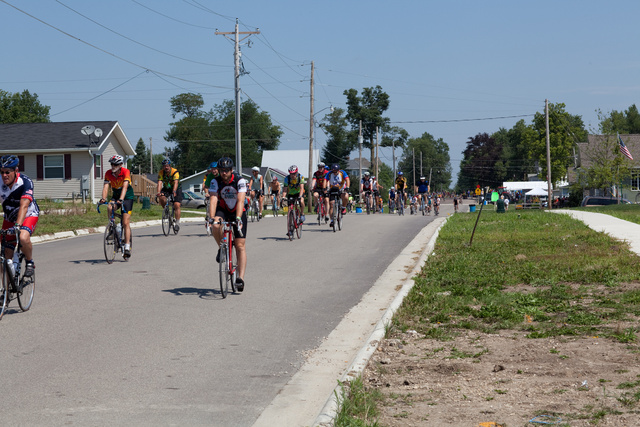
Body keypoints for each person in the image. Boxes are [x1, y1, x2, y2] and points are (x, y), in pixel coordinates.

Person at [208, 157, 247, 292]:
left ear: (231, 170)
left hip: (237, 210)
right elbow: (213, 199)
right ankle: (222, 248)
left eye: (226, 170)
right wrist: (211, 218)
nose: (224, 173)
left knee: (240, 245)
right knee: (216, 225)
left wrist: (238, 218)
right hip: (223, 209)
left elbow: (241, 200)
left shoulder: (239, 180)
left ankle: (240, 278)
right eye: (221, 170)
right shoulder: (215, 181)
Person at [0, 155, 39, 276]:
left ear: (16, 171)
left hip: (28, 215)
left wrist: (17, 226)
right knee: (5, 258)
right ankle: (6, 292)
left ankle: (29, 261)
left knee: (22, 237)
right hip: (9, 217)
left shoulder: (25, 182)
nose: (4, 175)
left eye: (7, 172)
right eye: (1, 172)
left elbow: (24, 206)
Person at [99, 155, 135, 258]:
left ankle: (127, 247)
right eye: (112, 164)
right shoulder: (108, 173)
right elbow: (106, 187)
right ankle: (112, 227)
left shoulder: (125, 172)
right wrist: (103, 198)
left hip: (127, 197)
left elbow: (125, 187)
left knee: (125, 222)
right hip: (116, 196)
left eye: (115, 164)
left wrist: (121, 199)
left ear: (120, 165)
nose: (113, 166)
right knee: (110, 207)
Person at [156, 159, 182, 232]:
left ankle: (177, 223)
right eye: (164, 166)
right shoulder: (161, 172)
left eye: (167, 166)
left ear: (170, 166)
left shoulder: (175, 172)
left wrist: (174, 191)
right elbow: (160, 182)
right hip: (167, 187)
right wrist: (158, 192)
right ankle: (166, 211)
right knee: (161, 197)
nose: (166, 167)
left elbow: (176, 182)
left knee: (176, 205)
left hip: (176, 188)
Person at [282, 165, 306, 230]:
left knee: (301, 201)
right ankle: (290, 228)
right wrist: (283, 197)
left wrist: (300, 196)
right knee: (289, 210)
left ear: (297, 172)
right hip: (291, 194)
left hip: (299, 193)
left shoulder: (301, 177)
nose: (292, 175)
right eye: (291, 174)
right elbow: (285, 189)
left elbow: (301, 188)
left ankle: (302, 213)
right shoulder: (287, 178)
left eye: (294, 174)